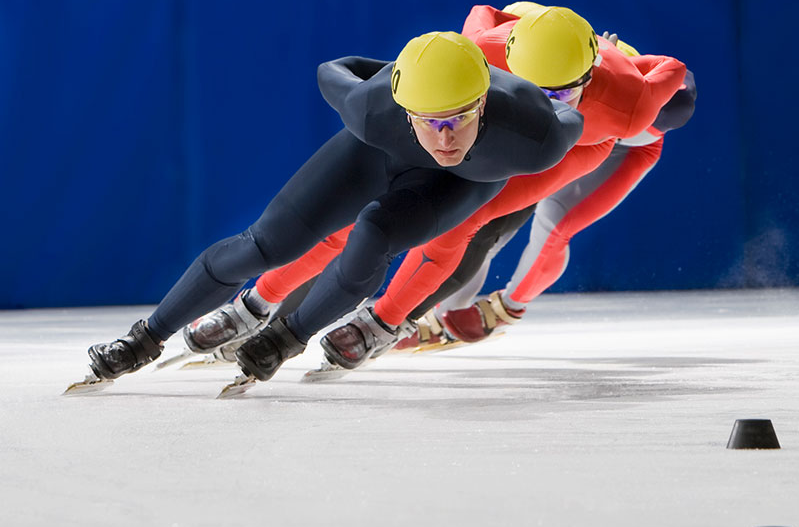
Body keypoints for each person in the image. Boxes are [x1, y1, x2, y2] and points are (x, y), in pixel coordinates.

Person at [190, 3, 688, 377]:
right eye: (527, 85)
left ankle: (385, 321)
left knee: (471, 220)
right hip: (484, 124)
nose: (539, 103)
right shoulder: (486, 46)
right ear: (507, 59)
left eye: (558, 93)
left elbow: (676, 76)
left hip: (575, 144)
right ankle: (259, 302)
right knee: (364, 209)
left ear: (590, 74)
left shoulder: (630, 104)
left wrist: (626, 56)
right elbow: (482, 15)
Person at [74, 31, 583, 391]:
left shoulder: (535, 136)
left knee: (373, 236)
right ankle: (144, 338)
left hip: (461, 184)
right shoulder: (371, 106)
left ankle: (286, 337)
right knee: (265, 245)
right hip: (375, 153)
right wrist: (395, 73)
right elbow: (333, 70)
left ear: (484, 104)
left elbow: (575, 114)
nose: (444, 138)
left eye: (459, 117)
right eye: (428, 120)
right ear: (403, 106)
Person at [403, 63, 696, 351]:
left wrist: (653, 93)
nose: (555, 98)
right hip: (562, 140)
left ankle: (509, 306)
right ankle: (443, 313)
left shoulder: (635, 88)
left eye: (565, 91)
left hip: (618, 148)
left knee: (554, 222)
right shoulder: (536, 63)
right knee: (488, 225)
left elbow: (680, 91)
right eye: (545, 90)